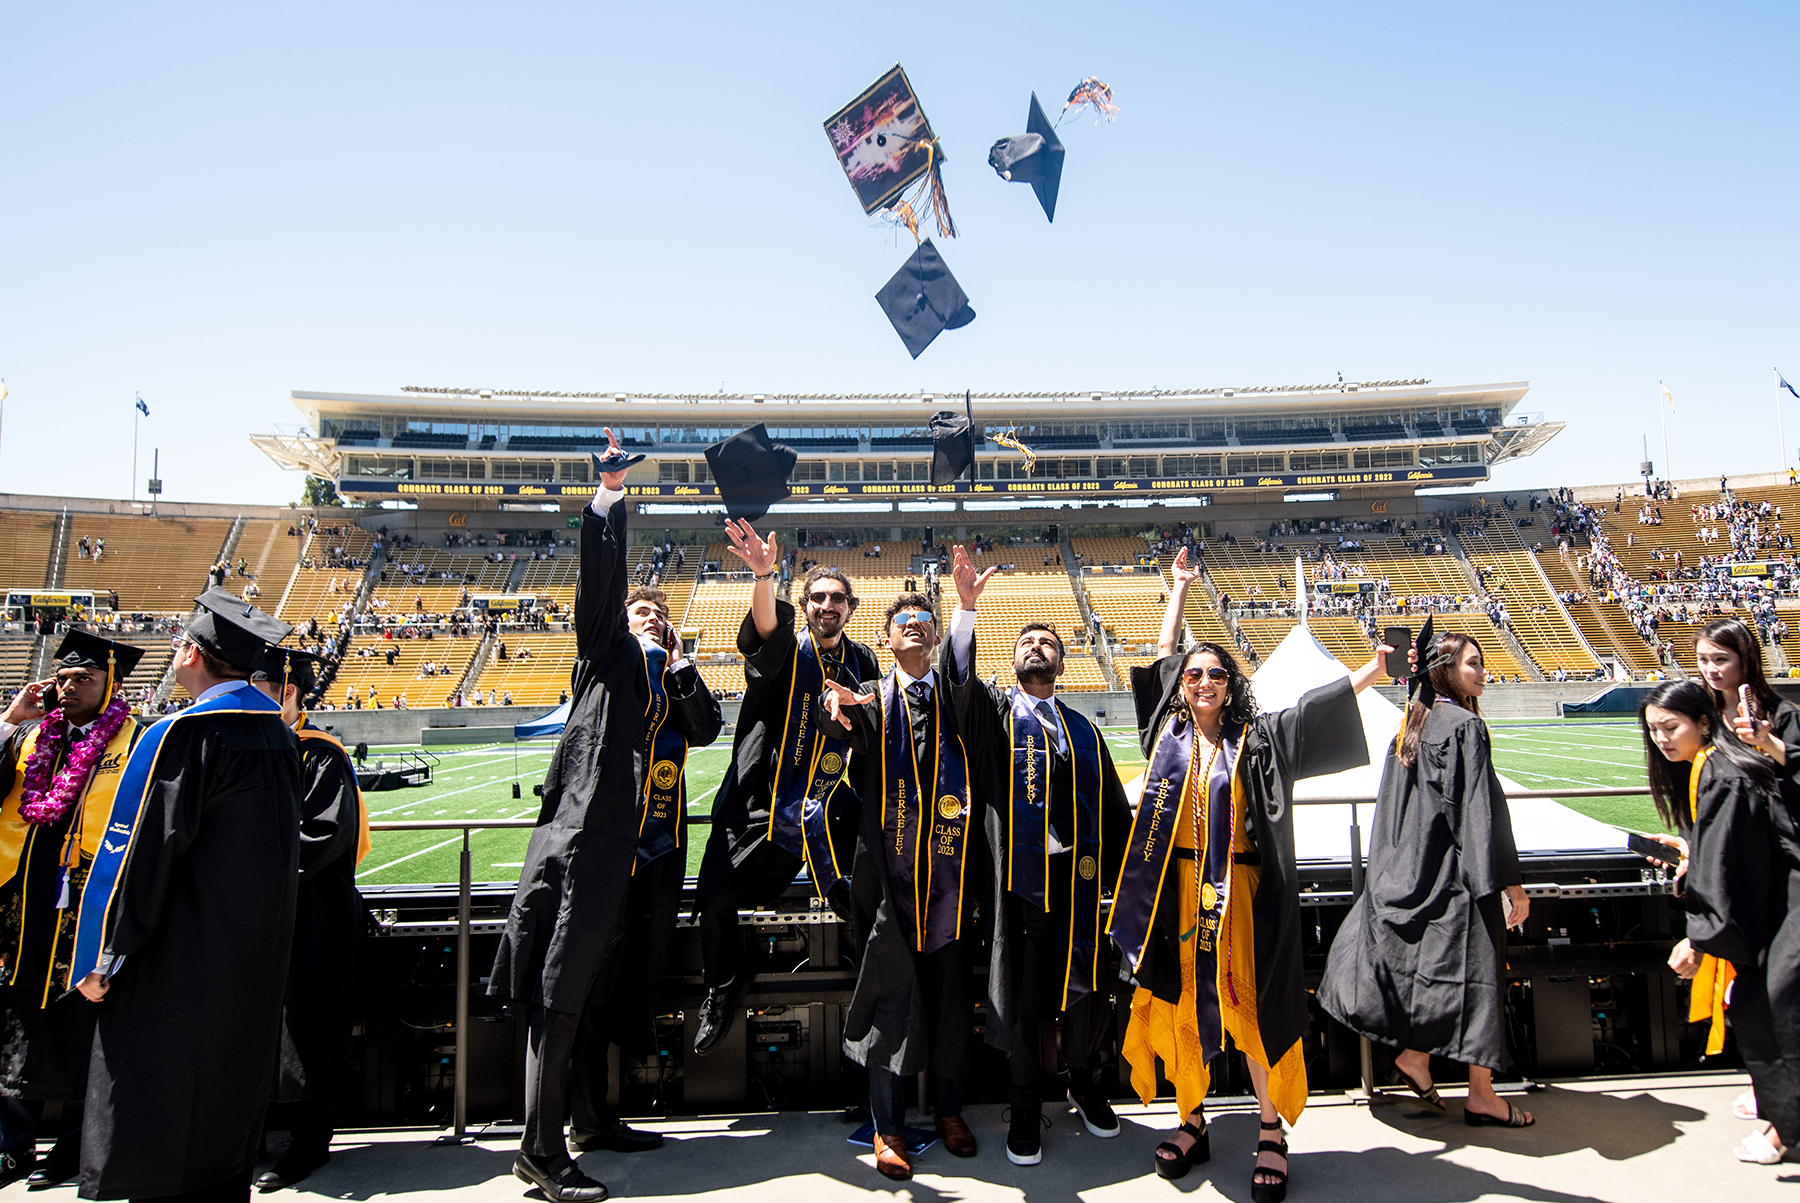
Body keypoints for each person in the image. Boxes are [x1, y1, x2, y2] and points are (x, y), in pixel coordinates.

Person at [489, 432, 721, 1203]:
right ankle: (537, 1151)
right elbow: (602, 585)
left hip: (644, 860)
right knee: (560, 993)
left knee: (596, 994)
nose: (649, 615)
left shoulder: (671, 675)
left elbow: (709, 729)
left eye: (659, 612)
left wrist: (680, 662)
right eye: (640, 609)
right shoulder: (605, 654)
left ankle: (590, 1118)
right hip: (589, 846)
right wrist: (611, 498)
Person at [1114, 547, 1382, 1200]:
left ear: (1230, 685)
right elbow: (1164, 649)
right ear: (1183, 684)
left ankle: (1269, 1129)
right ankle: (1191, 1118)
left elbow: (1315, 712)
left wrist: (1372, 670)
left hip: (1243, 899)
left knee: (1253, 1010)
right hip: (1175, 898)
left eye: (1216, 674)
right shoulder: (1167, 737)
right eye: (1195, 674)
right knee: (1182, 1009)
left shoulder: (1256, 741)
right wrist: (1177, 589)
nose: (1203, 681)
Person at [69, 589, 303, 1202]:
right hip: (250, 959)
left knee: (163, 1122)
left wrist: (99, 957)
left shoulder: (183, 735)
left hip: (177, 961)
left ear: (194, 654)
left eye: (178, 646)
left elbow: (135, 858)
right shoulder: (275, 734)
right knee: (226, 1111)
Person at [939, 545, 1131, 1165]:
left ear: (1063, 659)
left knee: (1087, 990)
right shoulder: (995, 715)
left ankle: (1083, 1083)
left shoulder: (1084, 728)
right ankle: (1025, 1105)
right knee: (1021, 1002)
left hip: (1076, 889)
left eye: (1046, 642)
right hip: (1017, 890)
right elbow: (958, 689)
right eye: (1024, 643)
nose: (1035, 648)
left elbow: (1115, 813)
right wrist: (967, 611)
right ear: (1012, 658)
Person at [1318, 624, 1534, 1131]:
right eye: (1473, 664)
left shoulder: (1412, 727)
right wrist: (1507, 883)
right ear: (1445, 670)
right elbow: (1480, 814)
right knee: (1480, 974)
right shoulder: (1464, 727)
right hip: (1458, 877)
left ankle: (1416, 1057)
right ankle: (1481, 1094)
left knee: (1438, 974)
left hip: (1411, 870)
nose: (1483, 672)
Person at [691, 520, 879, 1054]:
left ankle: (875, 1017)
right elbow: (764, 627)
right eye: (817, 597)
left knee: (866, 904)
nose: (827, 605)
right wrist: (765, 574)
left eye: (837, 598)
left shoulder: (864, 661)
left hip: (831, 813)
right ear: (805, 603)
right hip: (763, 807)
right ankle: (723, 987)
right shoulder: (787, 647)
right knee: (716, 900)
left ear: (851, 607)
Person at [820, 595, 979, 1181]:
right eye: (903, 623)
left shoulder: (962, 696)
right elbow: (834, 725)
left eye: (924, 623)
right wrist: (829, 703)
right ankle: (887, 1128)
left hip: (951, 878)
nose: (914, 628)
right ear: (886, 638)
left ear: (936, 638)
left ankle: (949, 1112)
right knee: (889, 997)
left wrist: (964, 611)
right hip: (888, 879)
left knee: (950, 1004)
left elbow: (970, 693)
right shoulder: (868, 697)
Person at [0, 633, 147, 1187]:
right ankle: (13, 1144)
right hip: (27, 902)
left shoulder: (136, 744)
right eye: (62, 678)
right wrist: (10, 722)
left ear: (112, 682)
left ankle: (72, 1147)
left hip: (90, 905)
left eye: (83, 678)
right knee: (16, 1012)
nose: (68, 687)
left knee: (81, 1017)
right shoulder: (32, 737)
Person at [1640, 680, 1799, 1165]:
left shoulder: (1724, 773)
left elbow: (1726, 863)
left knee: (1774, 1014)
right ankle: (1784, 1128)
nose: (1662, 739)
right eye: (1653, 731)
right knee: (1761, 1010)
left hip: (1786, 903)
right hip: (1773, 902)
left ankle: (1784, 1132)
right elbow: (1721, 848)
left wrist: (1699, 937)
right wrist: (1691, 849)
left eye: (1671, 727)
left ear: (1704, 722)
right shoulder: (1710, 768)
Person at [246, 648, 369, 1192]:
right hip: (248, 916)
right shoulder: (244, 747)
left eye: (259, 684)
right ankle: (253, 1135)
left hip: (310, 914)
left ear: (288, 690)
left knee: (306, 1028)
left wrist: (236, 864)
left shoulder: (319, 755)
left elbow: (321, 836)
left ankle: (307, 1144)